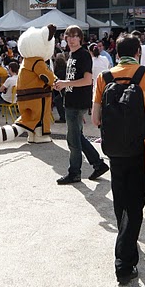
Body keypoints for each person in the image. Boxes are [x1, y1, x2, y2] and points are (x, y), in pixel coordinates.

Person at [92, 32, 145, 285]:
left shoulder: (104, 77)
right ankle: (124, 263)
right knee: (135, 204)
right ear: (138, 52)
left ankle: (127, 244)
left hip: (114, 149)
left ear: (116, 54)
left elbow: (95, 120)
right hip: (142, 147)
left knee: (120, 198)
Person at [53, 26, 109, 184]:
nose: (71, 39)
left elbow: (87, 80)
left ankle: (75, 172)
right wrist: (62, 85)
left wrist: (65, 83)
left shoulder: (83, 55)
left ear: (80, 38)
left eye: (75, 36)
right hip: (72, 101)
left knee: (73, 140)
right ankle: (98, 164)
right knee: (76, 136)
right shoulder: (72, 54)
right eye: (68, 36)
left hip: (77, 102)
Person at [52, 53, 67, 123]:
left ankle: (62, 117)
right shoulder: (66, 67)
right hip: (66, 86)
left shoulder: (57, 70)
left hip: (61, 88)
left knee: (58, 100)